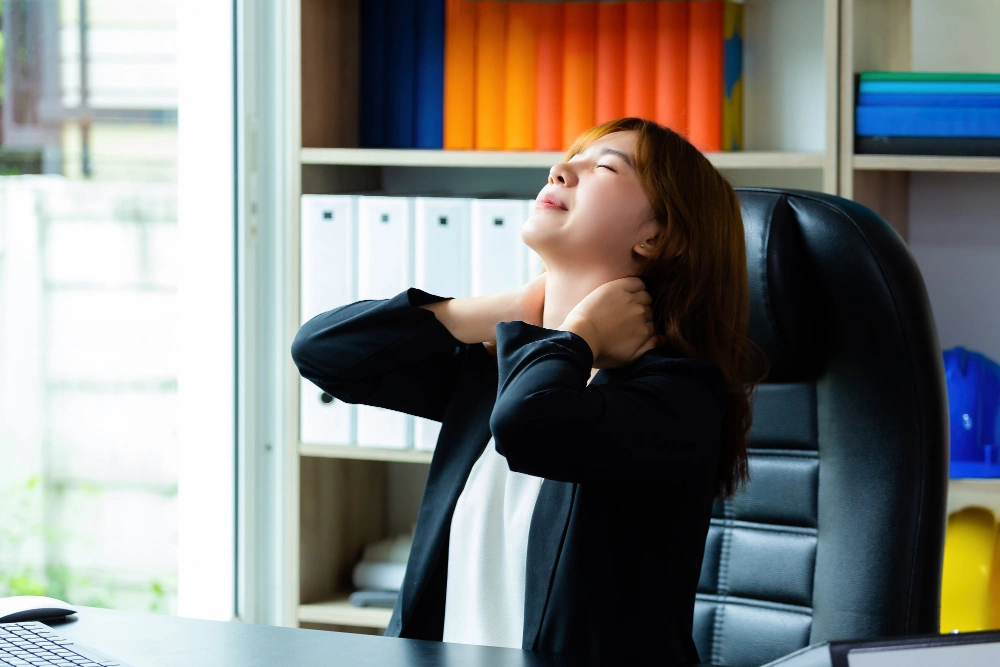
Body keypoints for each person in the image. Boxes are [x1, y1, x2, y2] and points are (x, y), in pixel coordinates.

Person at [291, 117, 764, 665]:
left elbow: (528, 427)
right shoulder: (499, 367)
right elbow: (323, 351)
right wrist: (502, 309)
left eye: (604, 167)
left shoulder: (679, 398)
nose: (559, 170)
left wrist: (575, 337)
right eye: (569, 159)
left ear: (657, 236)